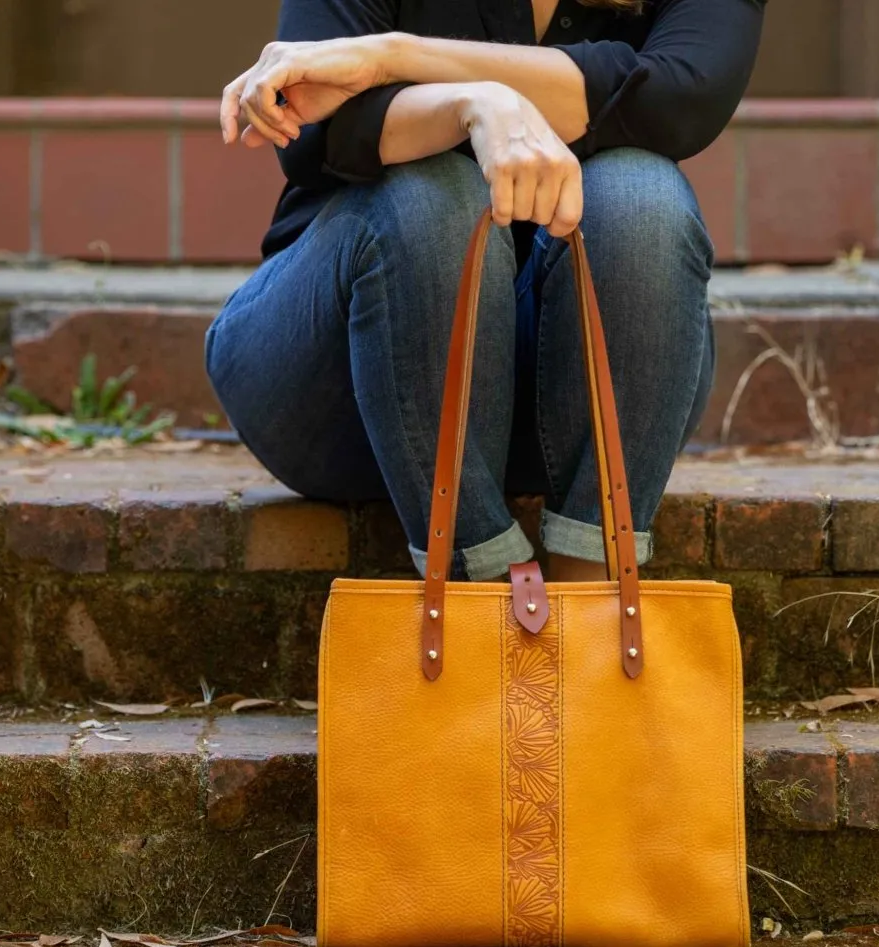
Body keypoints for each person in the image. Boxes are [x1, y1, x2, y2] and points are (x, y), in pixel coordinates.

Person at [205, 0, 765, 583]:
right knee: (431, 197)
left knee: (643, 196)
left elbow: (679, 99)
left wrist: (395, 56)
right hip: (334, 379)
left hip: (580, 404)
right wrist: (474, 101)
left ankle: (594, 599)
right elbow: (310, 125)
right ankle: (484, 601)